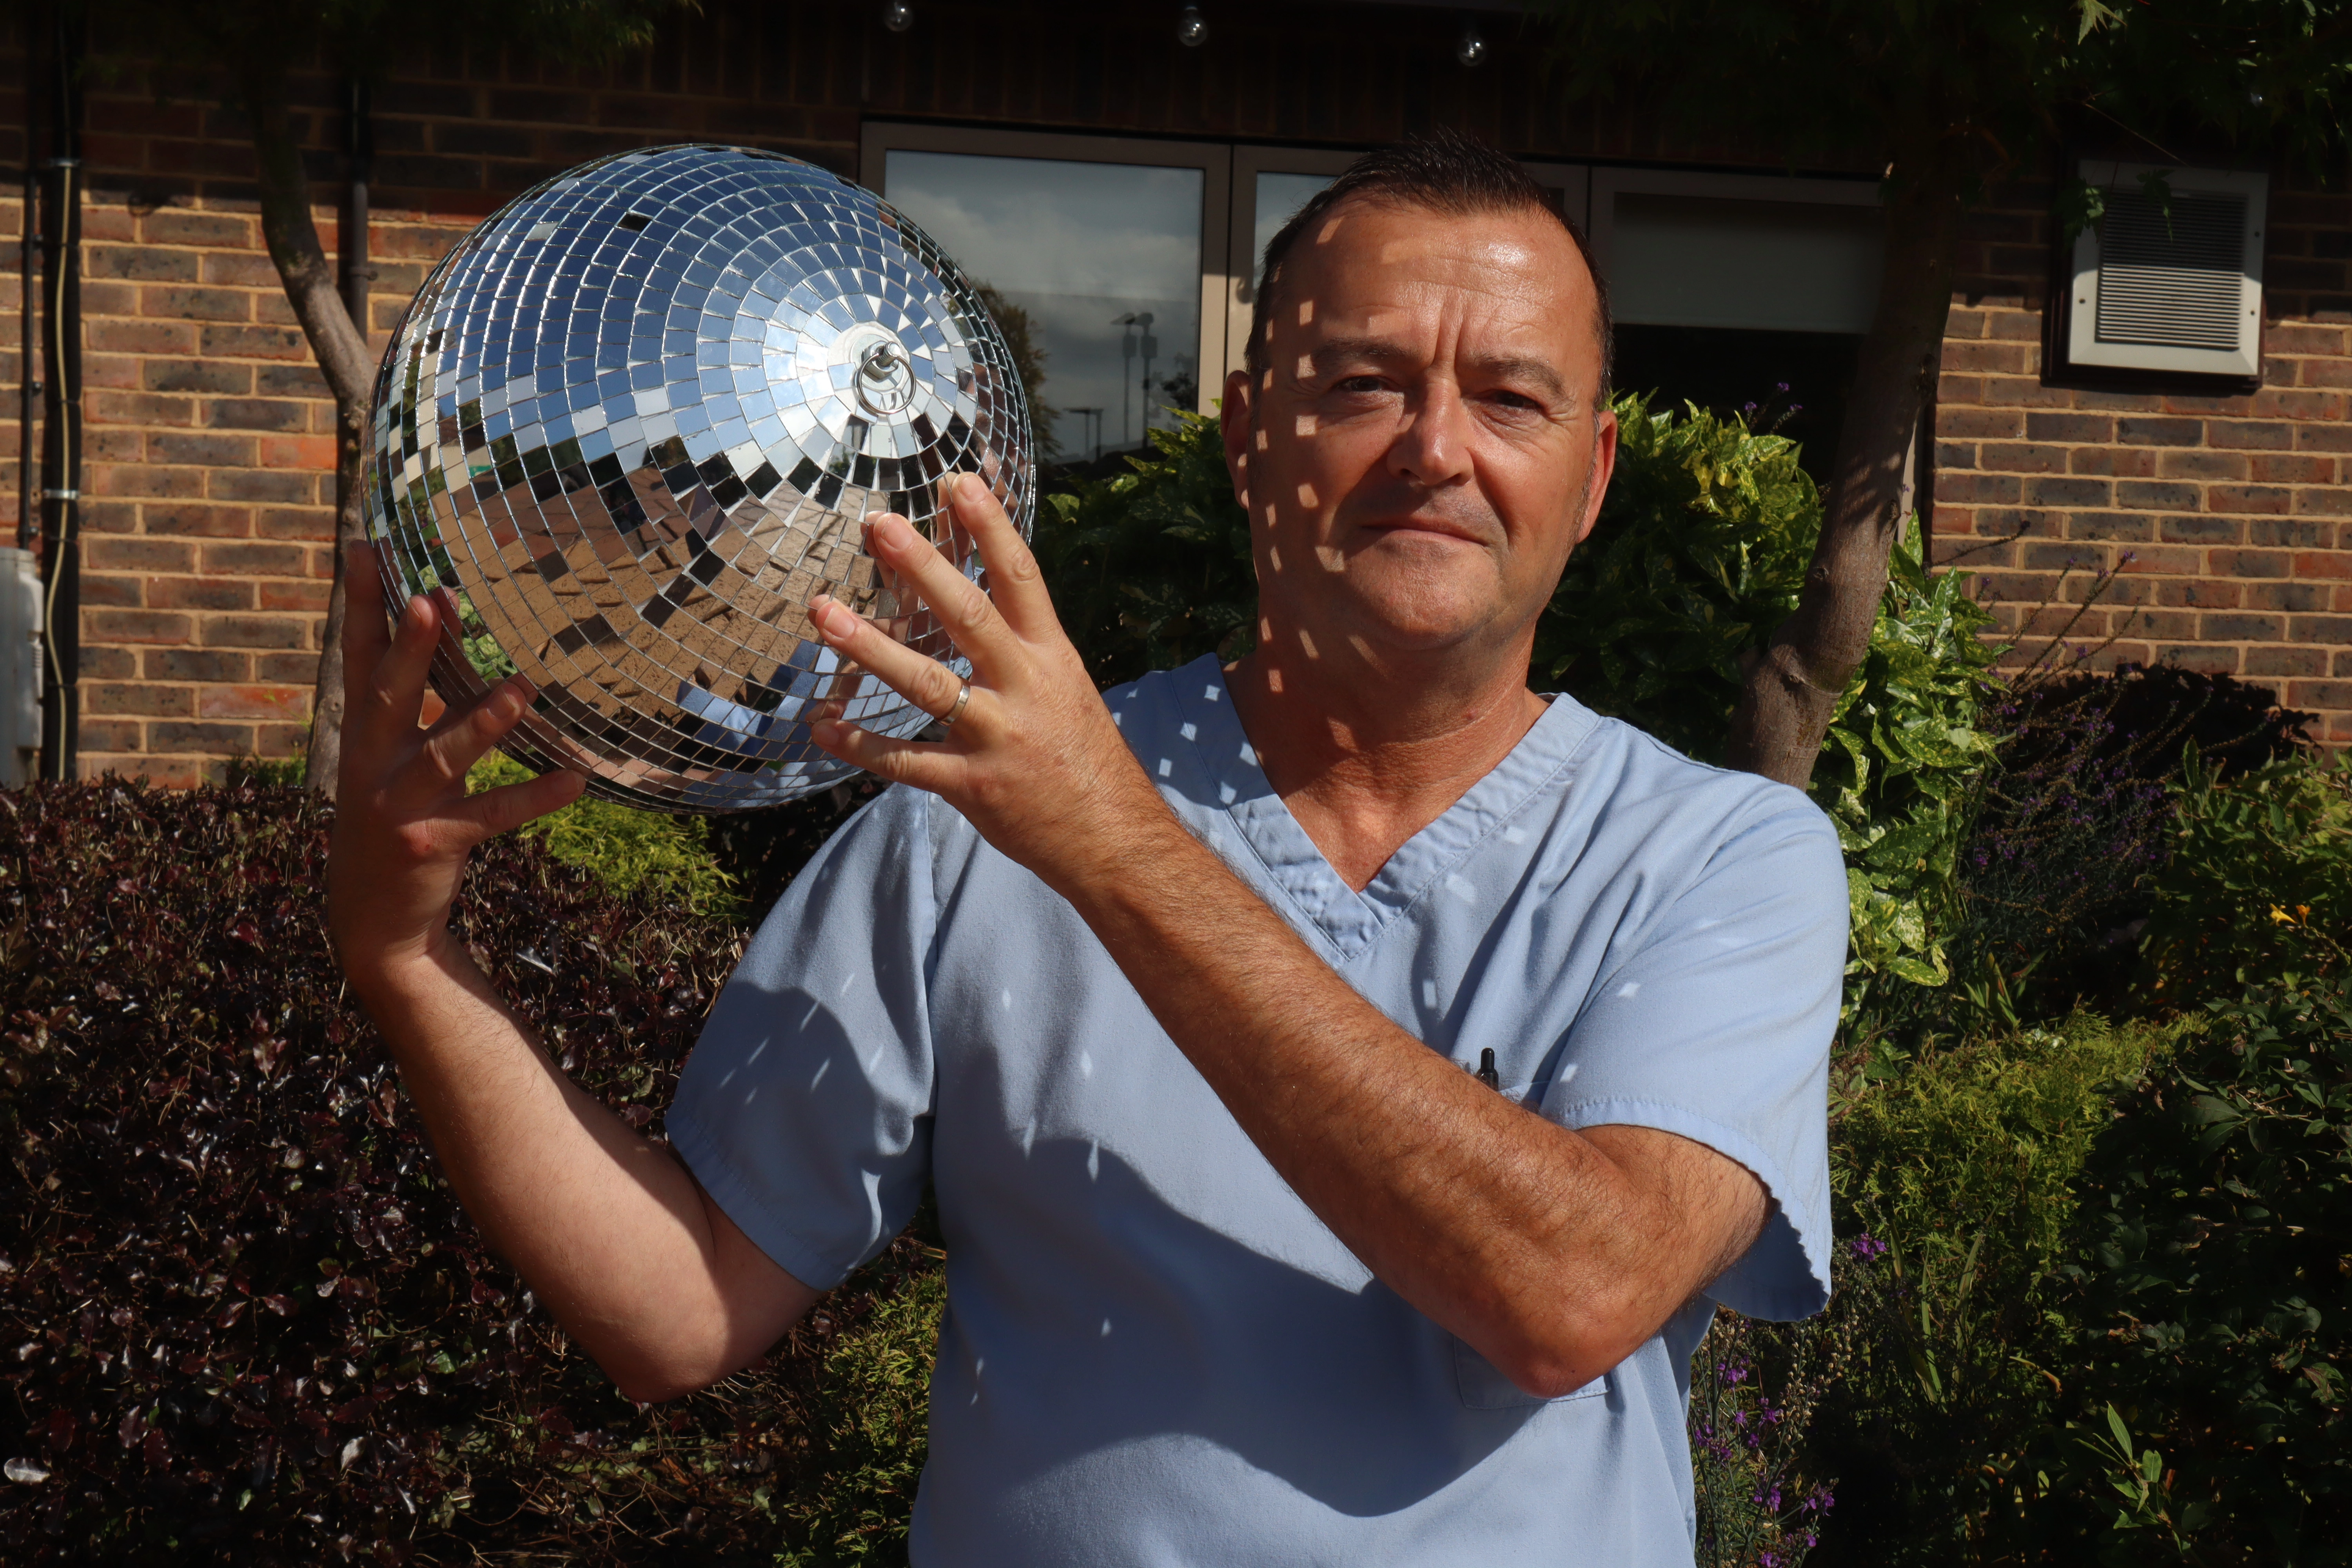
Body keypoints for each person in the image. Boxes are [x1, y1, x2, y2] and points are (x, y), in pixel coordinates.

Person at [328, 133, 1847, 1565]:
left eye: (1511, 400)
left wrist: (1115, 841)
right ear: (1249, 438)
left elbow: (1572, 1289)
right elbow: (681, 1301)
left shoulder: (1718, 856)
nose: (1436, 448)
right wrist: (412, 963)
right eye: (1364, 384)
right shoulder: (971, 813)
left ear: (1590, 477)